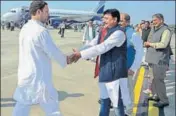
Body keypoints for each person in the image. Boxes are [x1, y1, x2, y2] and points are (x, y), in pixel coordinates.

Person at [12, 1, 72, 116]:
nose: (48, 14)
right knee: (52, 106)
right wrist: (67, 59)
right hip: (39, 77)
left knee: (22, 106)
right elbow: (53, 52)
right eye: (46, 11)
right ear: (38, 12)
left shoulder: (25, 28)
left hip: (25, 75)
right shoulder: (41, 31)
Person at [71, 8, 132, 116]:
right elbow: (93, 43)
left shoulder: (119, 33)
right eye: (103, 18)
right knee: (104, 101)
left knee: (117, 103)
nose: (104, 20)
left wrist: (81, 55)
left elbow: (102, 47)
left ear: (115, 19)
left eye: (107, 18)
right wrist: (80, 50)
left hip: (115, 73)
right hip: (105, 70)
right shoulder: (105, 31)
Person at [144, 13, 171, 108]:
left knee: (159, 80)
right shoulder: (153, 29)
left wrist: (150, 44)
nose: (153, 22)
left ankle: (164, 100)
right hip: (152, 58)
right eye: (153, 20)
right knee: (153, 79)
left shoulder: (166, 30)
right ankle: (156, 96)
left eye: (155, 20)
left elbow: (163, 44)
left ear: (161, 20)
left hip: (160, 59)